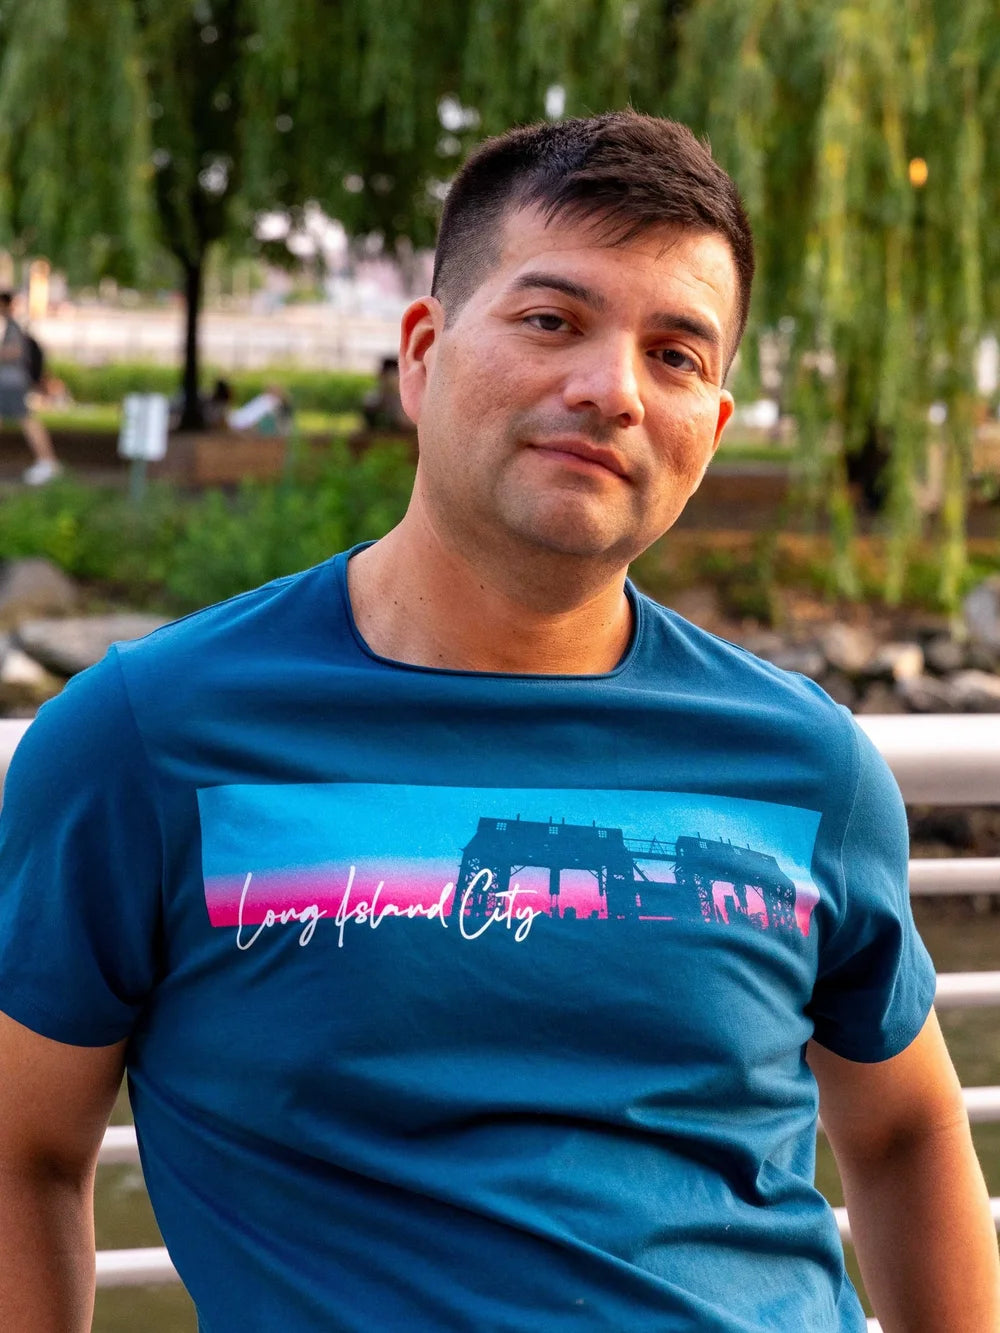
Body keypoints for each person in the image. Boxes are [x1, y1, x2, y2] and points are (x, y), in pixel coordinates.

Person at [0, 112, 997, 1332]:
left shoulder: (807, 766)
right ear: (422, 354)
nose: (611, 391)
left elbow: (903, 1130)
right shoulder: (145, 741)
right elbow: (22, 1151)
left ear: (712, 427)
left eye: (675, 355)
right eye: (551, 321)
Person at [0, 291, 62, 485]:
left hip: (10, 383)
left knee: (26, 420)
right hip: (10, 382)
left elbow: (14, 351)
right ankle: (47, 462)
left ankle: (48, 462)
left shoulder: (12, 326)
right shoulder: (12, 326)